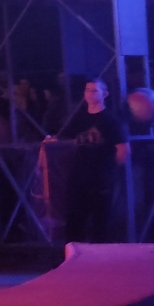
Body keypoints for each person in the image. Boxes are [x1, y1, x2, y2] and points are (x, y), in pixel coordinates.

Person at [49, 78, 129, 243]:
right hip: (79, 177)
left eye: (94, 90)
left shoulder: (111, 120)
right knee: (74, 220)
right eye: (87, 90)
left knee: (100, 222)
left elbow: (123, 150)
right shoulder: (78, 118)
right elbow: (63, 138)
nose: (90, 94)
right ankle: (75, 254)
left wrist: (109, 173)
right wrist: (52, 139)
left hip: (101, 178)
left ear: (105, 94)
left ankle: (99, 255)